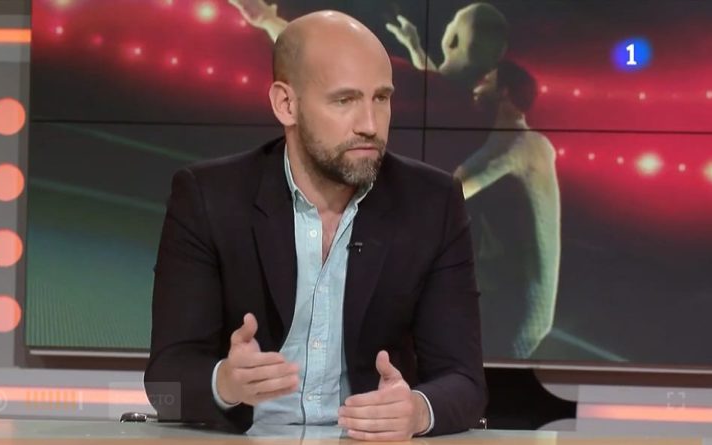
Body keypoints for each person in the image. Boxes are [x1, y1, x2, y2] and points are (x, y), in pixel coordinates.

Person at [144, 10, 486, 440]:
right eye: (345, 100)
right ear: (286, 104)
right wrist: (225, 384)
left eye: (381, 98)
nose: (370, 125)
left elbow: (465, 382)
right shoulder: (209, 197)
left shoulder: (431, 203)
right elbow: (164, 385)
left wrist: (416, 411)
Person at [454, 60, 561, 358]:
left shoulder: (528, 144)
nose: (478, 84)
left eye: (486, 79)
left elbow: (460, 188)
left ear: (504, 92)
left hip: (523, 303)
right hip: (502, 290)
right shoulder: (502, 141)